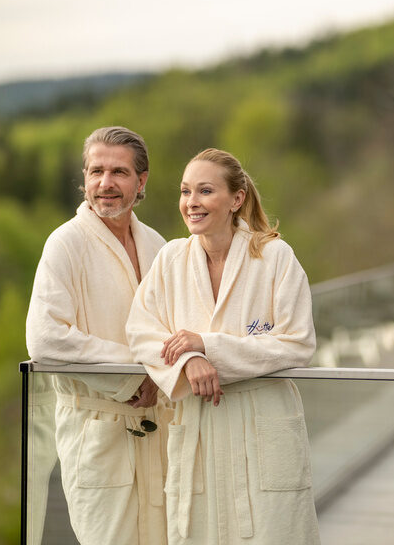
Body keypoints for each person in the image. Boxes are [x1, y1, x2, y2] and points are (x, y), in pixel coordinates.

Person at [126, 148, 320, 545]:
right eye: (185, 191)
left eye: (205, 191)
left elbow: (298, 343)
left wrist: (208, 345)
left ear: (236, 199)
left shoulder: (274, 257)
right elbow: (140, 331)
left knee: (273, 532)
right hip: (199, 423)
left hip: (261, 419)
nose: (191, 203)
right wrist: (191, 360)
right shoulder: (171, 260)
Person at [26, 126, 168, 545]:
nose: (105, 183)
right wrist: (133, 374)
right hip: (95, 431)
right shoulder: (65, 244)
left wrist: (160, 375)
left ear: (141, 181)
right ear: (85, 177)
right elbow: (46, 339)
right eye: (96, 171)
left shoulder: (158, 247)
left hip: (159, 429)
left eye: (119, 172)